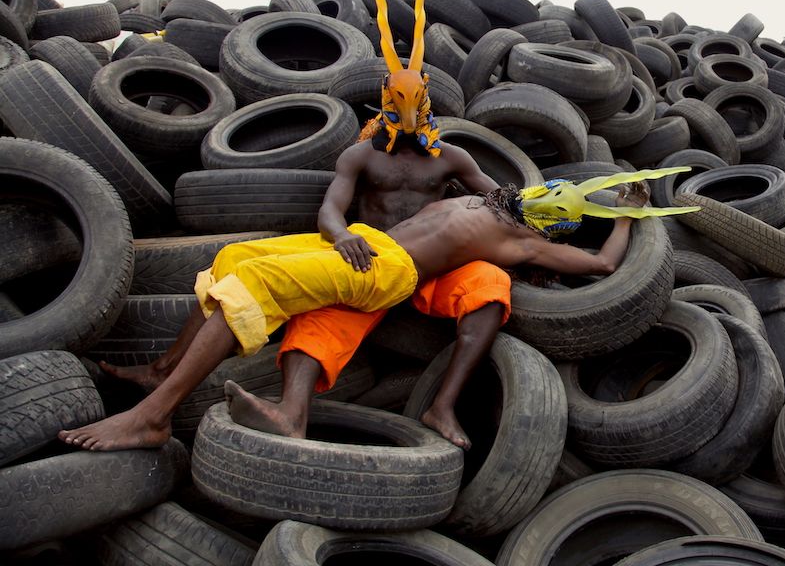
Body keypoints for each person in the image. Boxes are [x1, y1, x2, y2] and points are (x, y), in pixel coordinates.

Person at [97, 0, 508, 450]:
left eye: (412, 101)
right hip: (367, 254)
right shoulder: (362, 155)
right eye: (394, 101)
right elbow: (332, 207)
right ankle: (174, 374)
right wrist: (338, 236)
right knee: (256, 274)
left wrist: (562, 222)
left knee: (491, 284)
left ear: (426, 98)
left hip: (429, 267)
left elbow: (503, 201)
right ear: (383, 98)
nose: (403, 110)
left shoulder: (451, 157)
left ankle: (442, 405)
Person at [59, 167, 697, 451]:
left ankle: (151, 418)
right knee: (233, 260)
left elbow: (604, 267)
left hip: (385, 271)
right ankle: (180, 377)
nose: (546, 196)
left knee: (247, 292)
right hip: (369, 246)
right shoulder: (486, 198)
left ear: (551, 223)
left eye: (557, 204)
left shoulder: (518, 239)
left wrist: (629, 215)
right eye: (550, 190)